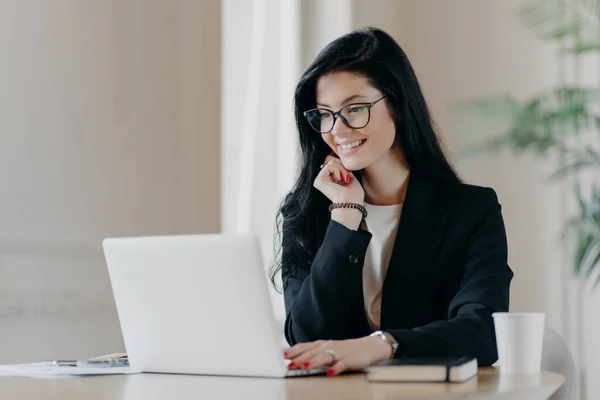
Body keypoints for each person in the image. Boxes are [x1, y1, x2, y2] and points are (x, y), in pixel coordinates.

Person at [270, 27, 514, 377]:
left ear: (397, 105)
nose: (336, 130)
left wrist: (381, 345)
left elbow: (484, 331)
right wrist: (345, 214)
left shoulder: (471, 210)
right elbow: (306, 338)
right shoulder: (306, 212)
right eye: (324, 113)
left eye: (354, 109)